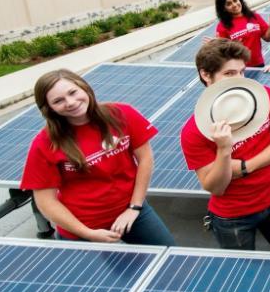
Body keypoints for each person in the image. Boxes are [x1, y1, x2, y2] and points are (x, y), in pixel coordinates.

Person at [21, 70, 174, 245]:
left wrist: (135, 207)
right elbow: (45, 201)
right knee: (91, 274)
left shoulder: (121, 114)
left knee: (172, 261)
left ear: (84, 87)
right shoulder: (45, 143)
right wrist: (87, 233)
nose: (70, 102)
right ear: (49, 108)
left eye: (73, 92)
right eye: (58, 101)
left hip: (132, 211)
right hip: (80, 227)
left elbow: (145, 158)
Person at [180, 39, 270, 251]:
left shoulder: (262, 97)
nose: (239, 79)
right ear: (205, 75)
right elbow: (216, 187)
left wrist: (245, 166)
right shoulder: (194, 131)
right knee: (243, 276)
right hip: (233, 217)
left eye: (242, 72)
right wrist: (223, 149)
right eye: (229, 74)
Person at [214, 0, 270, 67]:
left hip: (258, 63)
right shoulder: (222, 26)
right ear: (224, 8)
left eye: (235, 0)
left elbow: (267, 38)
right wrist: (233, 47)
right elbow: (222, 53)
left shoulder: (254, 16)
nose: (234, 5)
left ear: (239, 0)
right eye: (229, 4)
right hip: (238, 68)